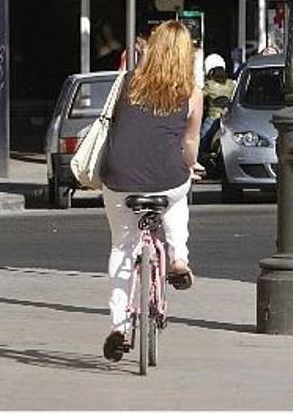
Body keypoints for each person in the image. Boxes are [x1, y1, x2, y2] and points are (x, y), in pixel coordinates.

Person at [99, 20, 203, 361]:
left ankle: (118, 327)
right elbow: (189, 143)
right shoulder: (191, 93)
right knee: (177, 196)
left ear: (152, 48)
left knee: (122, 246)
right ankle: (178, 258)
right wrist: (191, 165)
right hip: (167, 176)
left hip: (119, 176)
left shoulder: (128, 81)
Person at [199, 53, 236, 158]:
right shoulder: (232, 84)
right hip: (227, 118)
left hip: (212, 118)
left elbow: (199, 98)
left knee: (202, 139)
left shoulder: (209, 85)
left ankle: (199, 159)